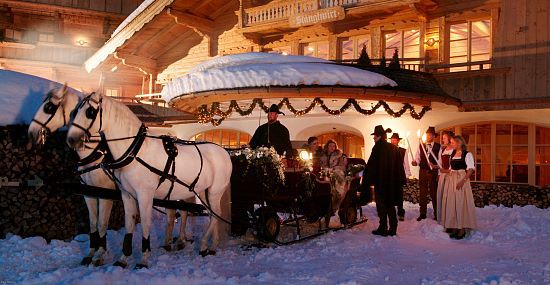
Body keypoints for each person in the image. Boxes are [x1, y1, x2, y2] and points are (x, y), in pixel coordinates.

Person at [364, 125, 404, 236]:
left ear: (379, 136)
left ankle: (383, 228)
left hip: (380, 183)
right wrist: (399, 181)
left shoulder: (377, 148)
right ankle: (393, 228)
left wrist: (367, 179)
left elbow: (372, 165)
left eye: (374, 136)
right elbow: (399, 167)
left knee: (381, 206)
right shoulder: (393, 148)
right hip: (391, 183)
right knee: (390, 205)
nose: (373, 138)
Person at [438, 135, 477, 239]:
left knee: (460, 203)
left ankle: (462, 228)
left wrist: (462, 181)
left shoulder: (467, 154)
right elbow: (451, 169)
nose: (451, 144)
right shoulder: (453, 154)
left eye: (452, 142)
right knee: (452, 203)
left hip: (461, 180)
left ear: (459, 143)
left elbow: (470, 169)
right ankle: (455, 226)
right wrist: (444, 170)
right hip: (451, 181)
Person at [411, 126, 440, 221]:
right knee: (422, 193)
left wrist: (436, 169)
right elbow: (417, 157)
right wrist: (415, 162)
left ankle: (437, 214)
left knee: (434, 193)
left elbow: (440, 161)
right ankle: (422, 213)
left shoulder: (438, 146)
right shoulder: (421, 145)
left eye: (430, 135)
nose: (428, 137)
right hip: (422, 171)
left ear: (434, 136)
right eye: (427, 135)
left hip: (433, 172)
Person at [319, 139, 347, 217]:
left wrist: (334, 168)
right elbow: (320, 166)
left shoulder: (339, 155)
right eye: (330, 146)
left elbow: (343, 167)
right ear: (327, 147)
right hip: (325, 174)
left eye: (333, 146)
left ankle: (334, 207)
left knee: (336, 185)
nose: (332, 147)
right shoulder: (323, 156)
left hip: (337, 174)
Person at [389, 133, 411, 221]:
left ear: (398, 141)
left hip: (399, 175)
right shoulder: (387, 150)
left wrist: (407, 174)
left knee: (399, 195)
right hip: (390, 175)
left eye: (395, 140)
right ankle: (390, 212)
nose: (393, 141)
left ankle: (400, 212)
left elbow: (406, 164)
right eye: (392, 139)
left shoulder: (403, 151)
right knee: (390, 194)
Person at [436, 130, 454, 223]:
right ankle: (442, 217)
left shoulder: (454, 150)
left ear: (450, 139)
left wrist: (446, 171)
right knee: (442, 195)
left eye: (444, 138)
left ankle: (450, 218)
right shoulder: (442, 150)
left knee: (449, 196)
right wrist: (439, 173)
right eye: (442, 138)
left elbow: (453, 165)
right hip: (443, 175)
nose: (442, 140)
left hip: (451, 176)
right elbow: (440, 163)